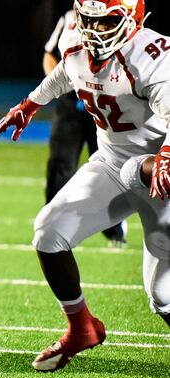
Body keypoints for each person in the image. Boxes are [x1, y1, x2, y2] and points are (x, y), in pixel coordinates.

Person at [0, 0, 170, 372]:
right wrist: (31, 103)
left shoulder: (153, 55)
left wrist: (167, 156)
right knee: (49, 232)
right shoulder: (76, 42)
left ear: (134, 19)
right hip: (112, 163)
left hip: (160, 171)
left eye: (107, 21)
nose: (96, 30)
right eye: (89, 20)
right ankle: (82, 328)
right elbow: (66, 73)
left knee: (162, 296)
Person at [42, 9, 127, 246]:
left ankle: (114, 228)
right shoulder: (69, 18)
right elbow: (50, 55)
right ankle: (53, 224)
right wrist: (57, 85)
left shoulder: (118, 18)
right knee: (60, 163)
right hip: (71, 104)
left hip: (105, 106)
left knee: (108, 168)